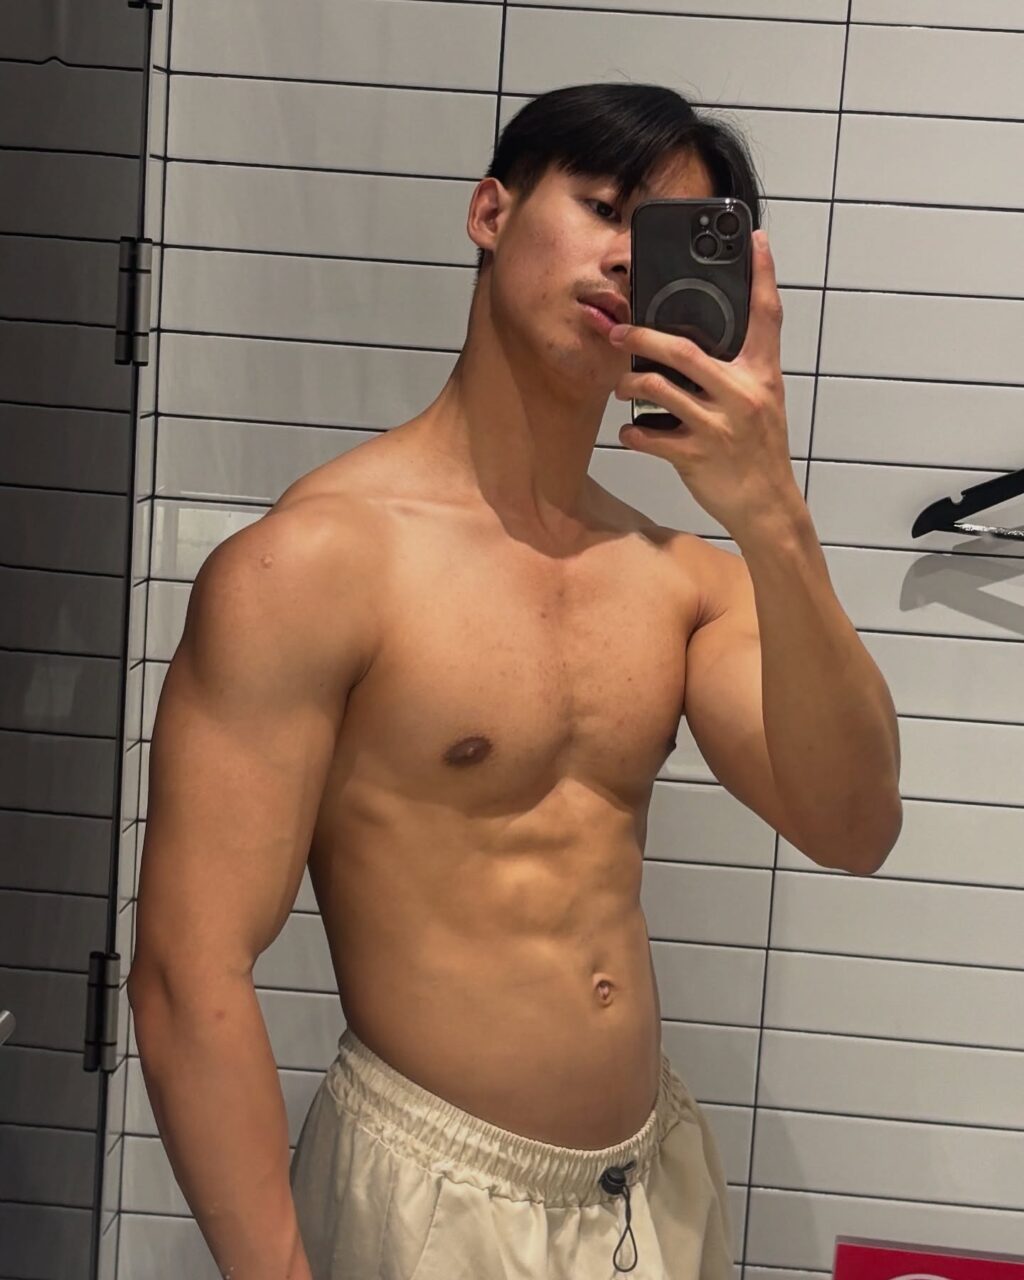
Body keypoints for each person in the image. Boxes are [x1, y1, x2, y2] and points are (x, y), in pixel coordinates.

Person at [126, 82, 902, 1280]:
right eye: (602, 207)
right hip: (424, 1189)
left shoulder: (681, 576)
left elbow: (853, 826)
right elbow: (189, 971)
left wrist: (772, 513)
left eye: (660, 237)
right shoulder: (317, 563)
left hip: (652, 1182)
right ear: (490, 212)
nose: (622, 258)